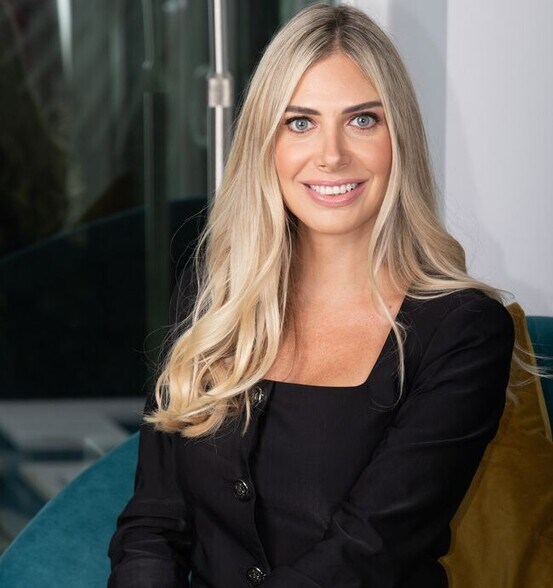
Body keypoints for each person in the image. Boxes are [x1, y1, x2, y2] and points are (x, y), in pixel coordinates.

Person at [108, 4, 517, 587]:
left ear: (399, 139)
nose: (331, 154)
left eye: (362, 120)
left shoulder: (464, 330)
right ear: (265, 142)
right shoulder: (213, 295)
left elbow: (363, 554)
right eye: (300, 122)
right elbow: (153, 523)